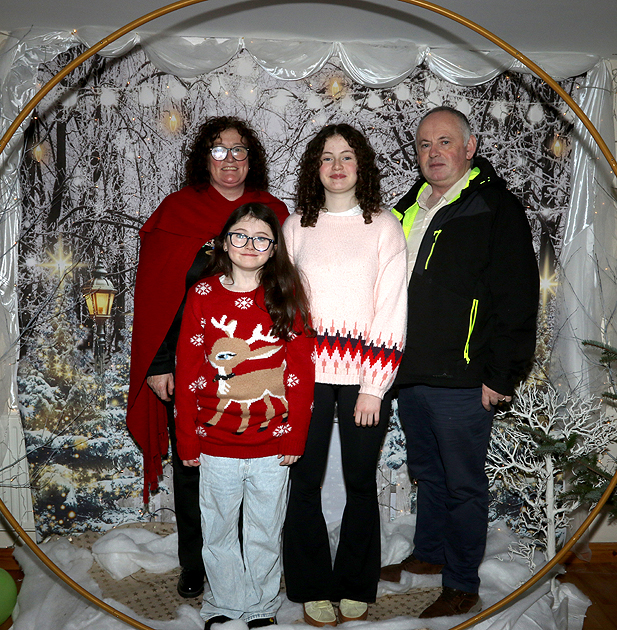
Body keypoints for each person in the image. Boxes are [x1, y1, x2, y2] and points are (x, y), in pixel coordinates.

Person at [379, 107, 539, 618]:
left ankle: (462, 582)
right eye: (425, 144)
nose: (434, 153)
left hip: (465, 375)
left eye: (445, 141)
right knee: (428, 471)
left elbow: (518, 294)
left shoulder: (495, 206)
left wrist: (503, 373)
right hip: (409, 369)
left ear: (469, 148)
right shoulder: (410, 204)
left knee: (463, 483)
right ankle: (430, 553)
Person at [126, 117, 289, 599]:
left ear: (251, 159)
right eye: (218, 150)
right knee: (192, 465)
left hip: (255, 366)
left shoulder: (272, 213)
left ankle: (250, 564)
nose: (229, 160)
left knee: (254, 469)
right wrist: (160, 364)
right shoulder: (176, 212)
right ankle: (195, 563)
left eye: (239, 150)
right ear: (204, 159)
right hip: (191, 364)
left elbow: (287, 290)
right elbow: (155, 297)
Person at [282, 124, 408, 626]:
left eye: (347, 156)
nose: (337, 166)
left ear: (362, 167)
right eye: (327, 157)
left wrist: (373, 387)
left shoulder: (384, 226)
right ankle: (311, 584)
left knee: (359, 480)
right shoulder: (295, 227)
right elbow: (282, 305)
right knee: (304, 480)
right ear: (315, 168)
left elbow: (391, 307)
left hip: (364, 379)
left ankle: (356, 583)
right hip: (305, 377)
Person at [174, 202, 315, 630]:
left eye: (261, 238)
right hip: (215, 444)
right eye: (240, 235)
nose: (249, 245)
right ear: (223, 242)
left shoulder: (286, 296)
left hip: (272, 447)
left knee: (264, 532)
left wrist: (294, 437)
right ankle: (224, 603)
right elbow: (188, 370)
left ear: (274, 249)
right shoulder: (202, 295)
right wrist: (187, 438)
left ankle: (260, 605)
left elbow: (301, 372)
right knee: (217, 530)